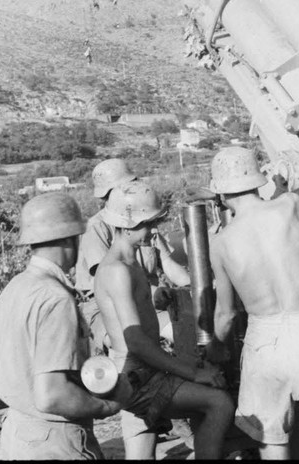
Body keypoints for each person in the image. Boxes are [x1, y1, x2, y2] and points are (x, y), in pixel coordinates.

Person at [204, 146, 299, 461]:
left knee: (272, 444)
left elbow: (226, 314)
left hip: (264, 343)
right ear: (257, 179)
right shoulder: (288, 206)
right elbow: (298, 181)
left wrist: (215, 350)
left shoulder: (220, 243)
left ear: (219, 192)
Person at [94, 180, 234, 460]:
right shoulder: (117, 270)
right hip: (137, 377)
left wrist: (157, 293)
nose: (154, 230)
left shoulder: (130, 262)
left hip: (144, 370)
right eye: (148, 223)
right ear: (127, 223)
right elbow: (135, 341)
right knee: (220, 403)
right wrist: (192, 372)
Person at [0, 192, 131, 460]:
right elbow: (52, 395)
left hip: (17, 433)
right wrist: (106, 406)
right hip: (53, 441)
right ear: (70, 238)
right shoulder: (55, 299)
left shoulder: (16, 287)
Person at [75, 159, 192, 458]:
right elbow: (115, 285)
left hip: (146, 303)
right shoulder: (98, 229)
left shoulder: (144, 221)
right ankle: (160, 415)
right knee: (137, 357)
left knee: (187, 335)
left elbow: (169, 266)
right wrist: (155, 295)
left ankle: (174, 413)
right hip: (105, 312)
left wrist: (198, 286)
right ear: (110, 195)